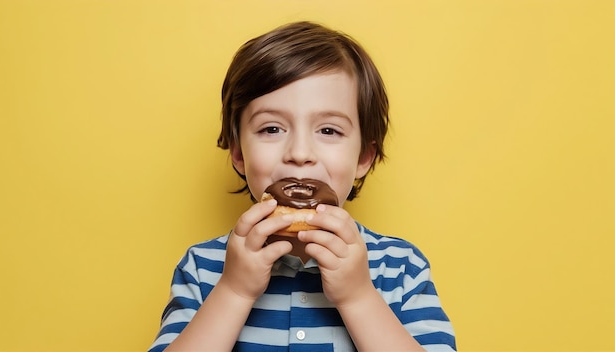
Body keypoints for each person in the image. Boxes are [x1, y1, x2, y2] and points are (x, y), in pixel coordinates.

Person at [149, 21, 456, 352]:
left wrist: (358, 296)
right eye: (271, 129)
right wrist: (235, 291)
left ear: (363, 157)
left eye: (328, 131)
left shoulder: (400, 268)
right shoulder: (203, 267)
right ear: (239, 154)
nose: (299, 154)